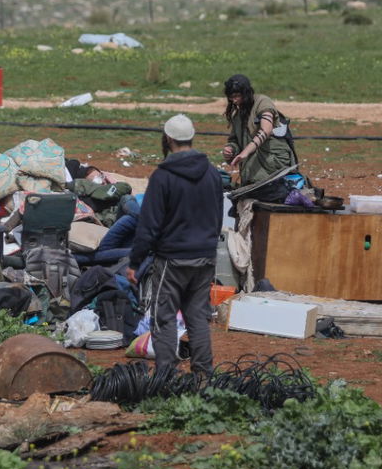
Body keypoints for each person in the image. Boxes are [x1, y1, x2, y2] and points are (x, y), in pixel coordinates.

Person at [127, 114, 223, 375]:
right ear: (192, 137)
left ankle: (166, 375)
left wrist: (135, 262)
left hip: (172, 259)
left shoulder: (162, 177)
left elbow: (148, 225)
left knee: (164, 316)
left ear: (168, 138)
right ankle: (204, 374)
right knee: (198, 317)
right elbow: (217, 216)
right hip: (205, 257)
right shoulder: (212, 173)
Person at [221, 73, 297, 203]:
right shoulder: (237, 115)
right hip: (252, 170)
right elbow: (234, 141)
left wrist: (245, 152)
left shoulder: (262, 102)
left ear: (246, 93)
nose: (234, 100)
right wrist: (230, 150)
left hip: (272, 166)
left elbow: (266, 130)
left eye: (237, 96)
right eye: (231, 97)